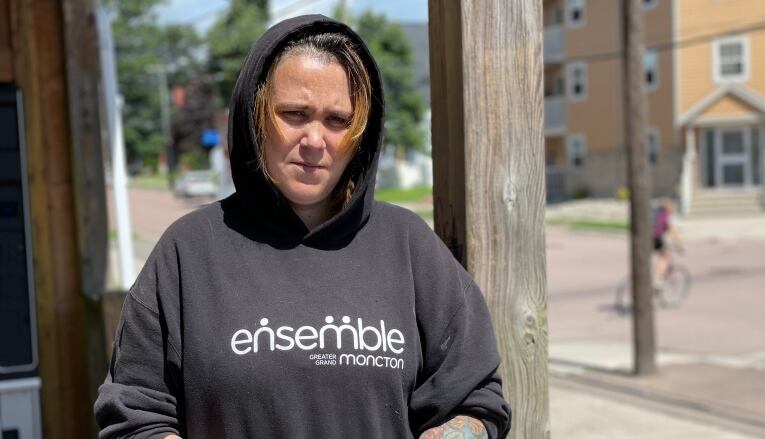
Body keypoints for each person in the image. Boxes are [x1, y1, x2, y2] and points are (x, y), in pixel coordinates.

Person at [95, 15, 511, 439]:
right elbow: (136, 415)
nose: (315, 140)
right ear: (254, 116)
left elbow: (475, 400)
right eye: (294, 114)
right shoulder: (187, 252)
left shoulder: (409, 246)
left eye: (337, 120)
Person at [653, 198, 683, 288]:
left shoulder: (655, 214)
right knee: (664, 259)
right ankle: (657, 281)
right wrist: (679, 245)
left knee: (661, 256)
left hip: (650, 238)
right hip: (659, 239)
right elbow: (673, 231)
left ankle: (656, 278)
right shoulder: (669, 216)